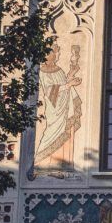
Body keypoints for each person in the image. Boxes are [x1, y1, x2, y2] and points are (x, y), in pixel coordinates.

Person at [35, 41, 82, 174]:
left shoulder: (58, 69)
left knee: (66, 132)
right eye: (57, 52)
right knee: (52, 133)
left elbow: (64, 81)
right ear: (49, 54)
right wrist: (69, 85)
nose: (59, 54)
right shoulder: (43, 71)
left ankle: (61, 165)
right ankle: (41, 164)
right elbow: (50, 90)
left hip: (65, 105)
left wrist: (74, 63)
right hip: (54, 108)